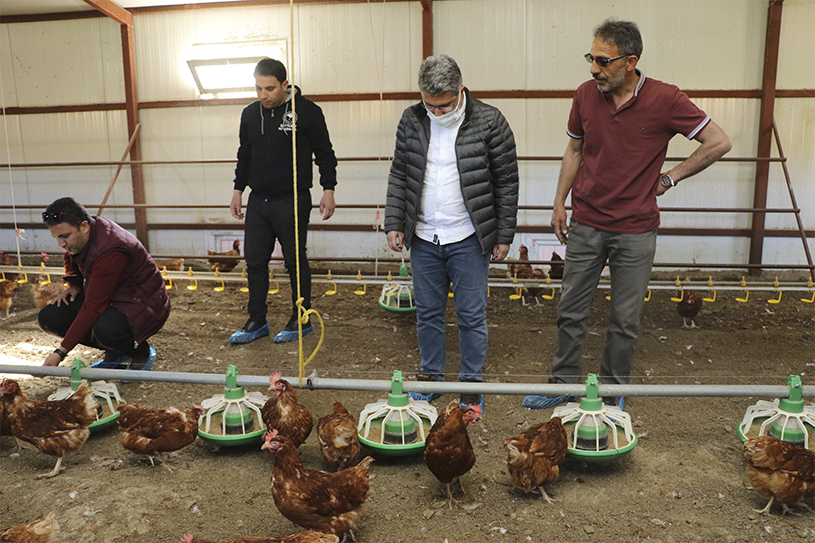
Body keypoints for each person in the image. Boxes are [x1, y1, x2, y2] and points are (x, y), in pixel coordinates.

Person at [524, 19, 731, 410]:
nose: (593, 69)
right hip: (586, 222)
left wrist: (670, 178)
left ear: (630, 61)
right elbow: (575, 151)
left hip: (636, 230)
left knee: (624, 319)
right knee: (570, 309)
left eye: (602, 61)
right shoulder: (585, 95)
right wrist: (558, 202)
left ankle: (612, 392)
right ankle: (562, 385)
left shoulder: (666, 99)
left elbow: (718, 141)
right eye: (591, 58)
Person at [385, 54, 519, 411]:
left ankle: (471, 385)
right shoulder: (412, 119)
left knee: (471, 315)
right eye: (431, 106)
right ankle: (431, 378)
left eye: (445, 106)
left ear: (460, 91)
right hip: (425, 237)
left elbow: (506, 181)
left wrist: (504, 234)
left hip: (468, 237)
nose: (438, 113)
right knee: (427, 313)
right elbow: (400, 173)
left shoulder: (490, 121)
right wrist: (395, 220)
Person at [228, 58, 338, 344]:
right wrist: (238, 189)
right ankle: (257, 320)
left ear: (285, 85)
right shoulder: (250, 114)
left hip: (292, 199)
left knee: (294, 261)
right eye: (258, 88)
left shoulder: (308, 112)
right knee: (254, 261)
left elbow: (325, 153)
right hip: (258, 201)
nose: (263, 95)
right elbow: (245, 154)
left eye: (269, 88)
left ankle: (300, 318)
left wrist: (329, 188)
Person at [38, 197, 170, 372]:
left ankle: (141, 352)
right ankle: (117, 350)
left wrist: (60, 352)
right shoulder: (85, 234)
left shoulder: (111, 249)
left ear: (84, 226)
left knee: (106, 330)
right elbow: (71, 255)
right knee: (49, 318)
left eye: (64, 236)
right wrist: (75, 284)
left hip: (142, 300)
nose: (61, 244)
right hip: (112, 292)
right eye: (56, 237)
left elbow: (93, 307)